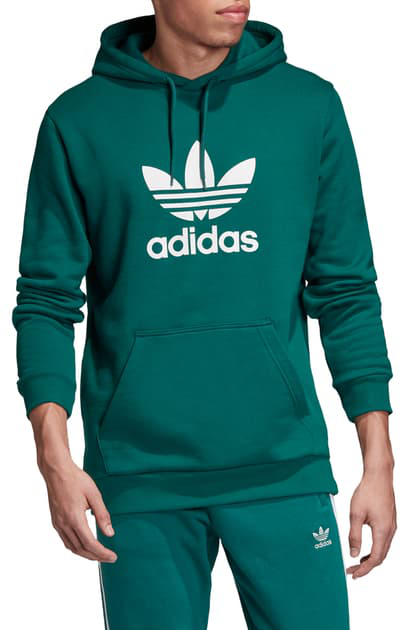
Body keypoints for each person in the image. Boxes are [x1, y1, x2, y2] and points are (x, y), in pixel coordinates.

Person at [12, 1, 396, 628]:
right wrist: (54, 461)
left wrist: (378, 462)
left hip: (284, 469)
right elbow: (46, 301)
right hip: (139, 479)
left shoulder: (308, 107)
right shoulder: (78, 121)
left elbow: (346, 290)